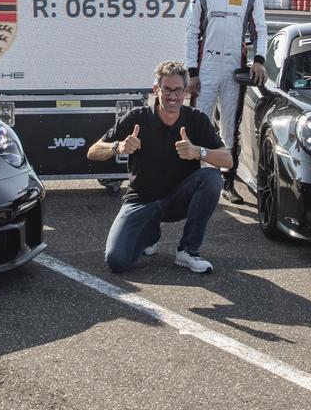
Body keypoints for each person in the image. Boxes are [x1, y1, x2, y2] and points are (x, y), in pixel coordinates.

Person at [88, 61, 232, 274]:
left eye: (178, 90)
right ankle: (150, 233)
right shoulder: (137, 118)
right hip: (141, 200)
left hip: (177, 199)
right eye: (167, 89)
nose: (172, 96)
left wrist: (198, 152)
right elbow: (93, 151)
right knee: (117, 261)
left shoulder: (196, 119)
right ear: (156, 90)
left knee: (211, 178)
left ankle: (187, 251)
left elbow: (227, 160)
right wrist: (118, 146)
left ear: (186, 91)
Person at [185, 0, 267, 205]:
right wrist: (192, 71)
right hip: (206, 68)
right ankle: (191, 180)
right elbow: (191, 33)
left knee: (230, 128)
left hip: (234, 69)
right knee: (198, 124)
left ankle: (227, 182)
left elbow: (261, 31)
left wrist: (259, 61)